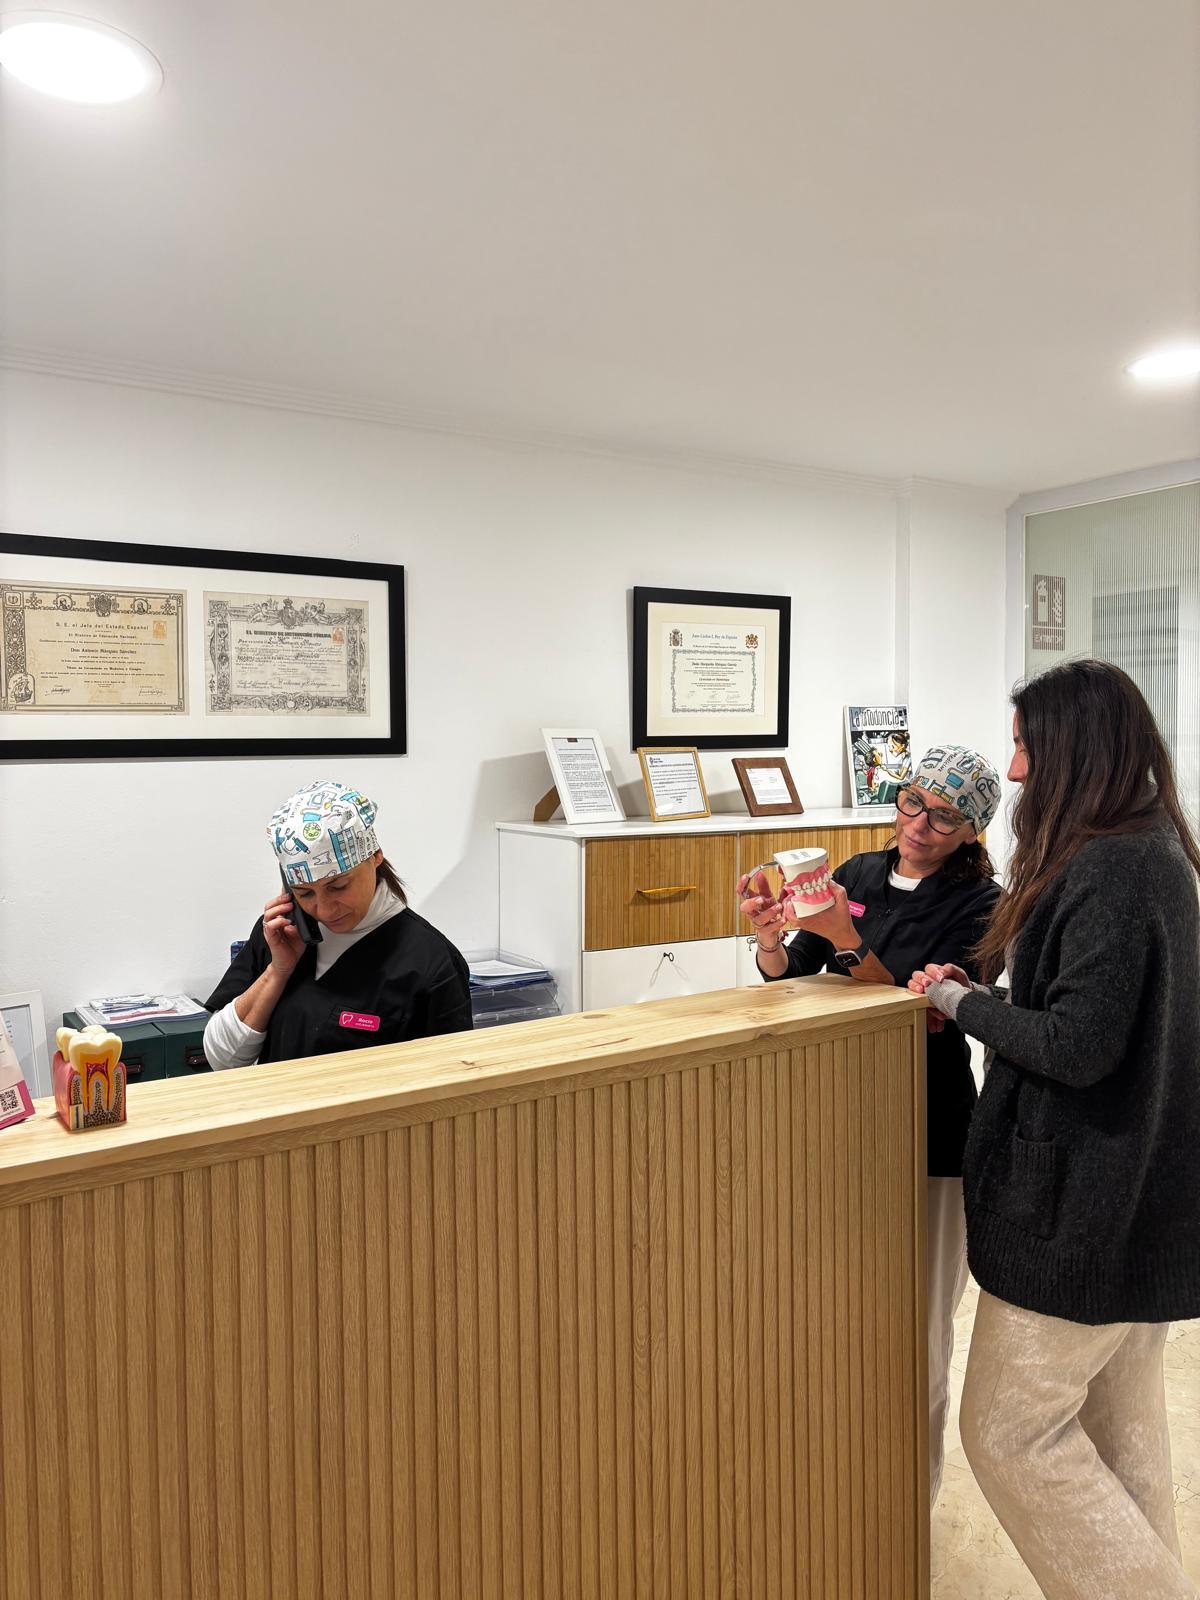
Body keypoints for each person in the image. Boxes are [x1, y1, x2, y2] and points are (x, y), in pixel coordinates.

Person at [910, 661, 1200, 1600]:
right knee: (1121, 1433)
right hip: (1135, 1200)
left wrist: (962, 1003)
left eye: (1026, 747)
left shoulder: (1115, 868)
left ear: (1076, 749)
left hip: (1084, 1203)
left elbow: (1077, 1045)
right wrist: (993, 998)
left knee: (1008, 1431)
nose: (1015, 770)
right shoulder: (1144, 850)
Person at [739, 743, 1002, 1504]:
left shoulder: (984, 906)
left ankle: (910, 1509)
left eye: (944, 816)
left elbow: (925, 1013)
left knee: (919, 1333)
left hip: (931, 1128)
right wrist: (769, 934)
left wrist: (847, 940)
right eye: (913, 801)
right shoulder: (854, 874)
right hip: (840, 1119)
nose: (918, 824)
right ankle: (841, 1499)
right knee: (839, 1323)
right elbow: (793, 975)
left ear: (972, 830)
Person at [204, 780, 471, 1069]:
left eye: (339, 886)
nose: (324, 909)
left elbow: (450, 1079)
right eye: (305, 893)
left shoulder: (430, 961)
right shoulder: (281, 931)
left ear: (375, 856)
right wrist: (277, 971)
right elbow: (222, 1059)